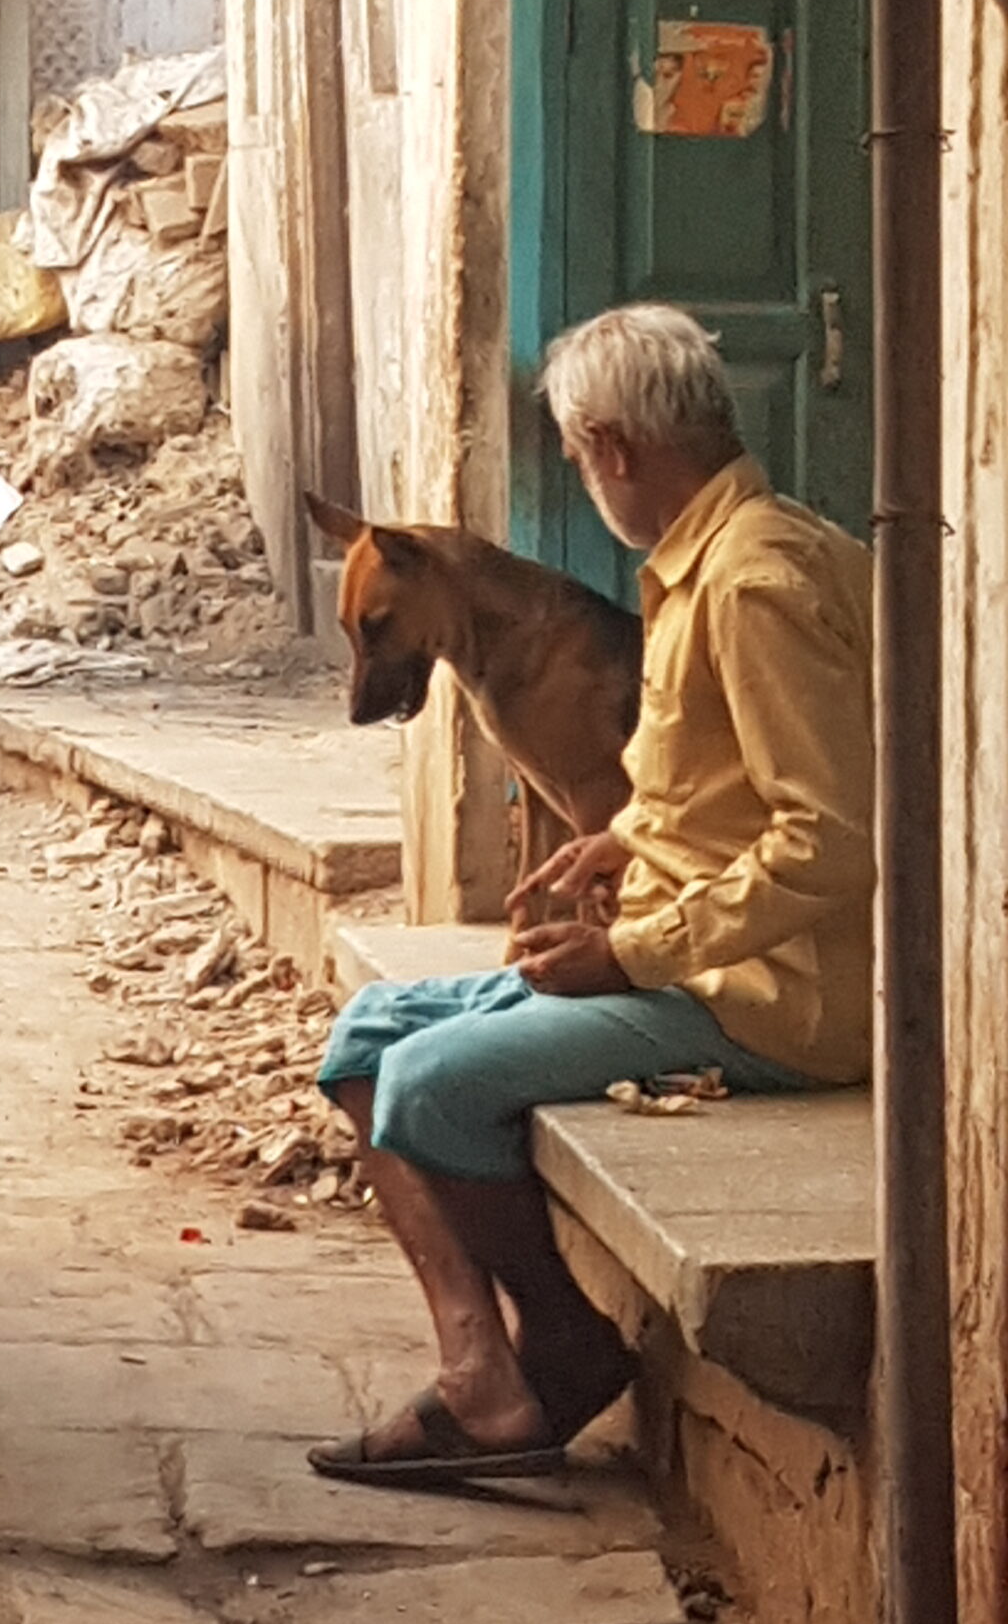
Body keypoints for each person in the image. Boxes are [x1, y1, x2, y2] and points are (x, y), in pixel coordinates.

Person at [307, 302, 873, 1486]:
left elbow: (830, 837)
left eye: (573, 455)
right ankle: (486, 1364)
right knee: (364, 1035)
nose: (579, 477)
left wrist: (633, 954)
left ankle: (555, 1347)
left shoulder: (754, 581)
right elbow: (723, 790)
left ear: (612, 448)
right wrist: (625, 843)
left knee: (427, 1081)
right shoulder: (703, 564)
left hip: (766, 997)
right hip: (699, 956)